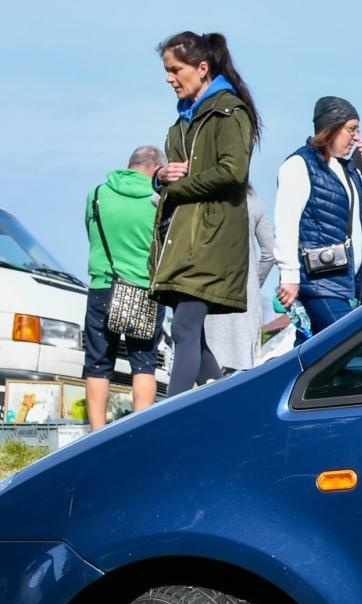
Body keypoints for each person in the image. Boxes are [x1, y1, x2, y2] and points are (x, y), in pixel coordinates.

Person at [150, 31, 259, 395]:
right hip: (184, 238)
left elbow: (233, 171)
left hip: (211, 239)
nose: (168, 78)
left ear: (201, 67)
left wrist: (174, 189)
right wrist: (159, 176)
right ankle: (224, 398)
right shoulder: (181, 122)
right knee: (192, 336)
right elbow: (175, 173)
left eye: (174, 69)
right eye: (166, 70)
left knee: (183, 328)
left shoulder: (230, 111)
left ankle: (168, 419)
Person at [274, 97, 362, 339]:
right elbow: (285, 223)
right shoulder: (299, 165)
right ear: (331, 127)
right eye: (351, 129)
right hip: (319, 284)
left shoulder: (348, 170)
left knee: (313, 355)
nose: (357, 137)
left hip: (345, 285)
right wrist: (289, 276)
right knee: (350, 343)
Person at [82, 145, 164, 429]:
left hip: (103, 286)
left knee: (98, 364)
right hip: (143, 292)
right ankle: (139, 431)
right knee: (143, 364)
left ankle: (96, 434)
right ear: (155, 169)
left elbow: (91, 235)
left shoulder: (97, 195)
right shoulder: (157, 200)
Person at [204, 186, 274, 372]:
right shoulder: (253, 200)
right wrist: (252, 283)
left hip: (207, 290)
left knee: (204, 360)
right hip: (244, 297)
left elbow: (156, 199)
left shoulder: (204, 195)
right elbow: (270, 252)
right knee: (241, 368)